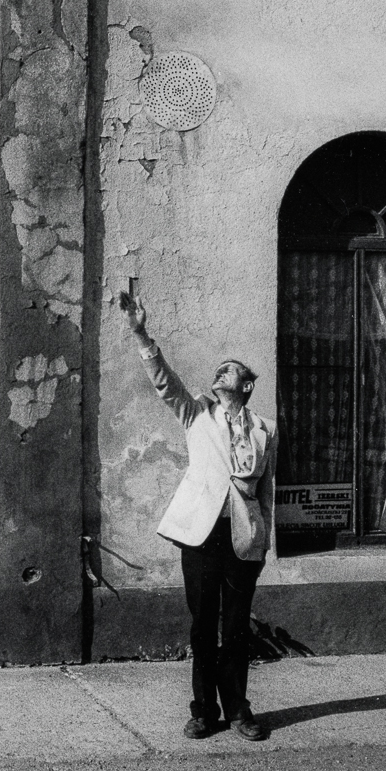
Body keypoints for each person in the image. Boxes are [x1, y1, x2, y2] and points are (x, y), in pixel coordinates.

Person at [119, 290, 278, 741]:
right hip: (201, 537)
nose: (220, 372)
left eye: (229, 370)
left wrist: (263, 541)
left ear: (246, 386)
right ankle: (203, 711)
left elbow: (266, 492)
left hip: (243, 539)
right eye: (218, 370)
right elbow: (164, 382)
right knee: (203, 625)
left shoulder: (266, 431)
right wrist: (141, 332)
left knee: (236, 628)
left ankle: (240, 710)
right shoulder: (197, 415)